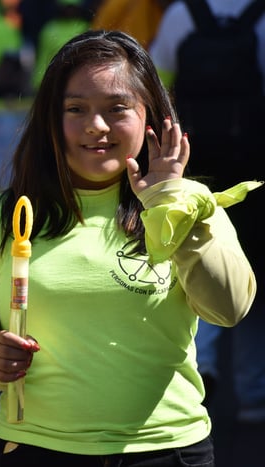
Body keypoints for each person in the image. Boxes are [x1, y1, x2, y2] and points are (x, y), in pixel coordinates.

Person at [0, 29, 259, 466]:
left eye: (116, 108)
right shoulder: (1, 217)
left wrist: (170, 206)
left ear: (151, 116)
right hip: (34, 449)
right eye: (76, 109)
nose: (97, 126)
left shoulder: (192, 205)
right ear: (50, 120)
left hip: (168, 450)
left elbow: (229, 307)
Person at [149, 1, 265, 462]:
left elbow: (157, 83)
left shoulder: (182, 13)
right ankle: (254, 393)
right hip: (255, 171)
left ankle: (203, 368)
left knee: (192, 266)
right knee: (254, 279)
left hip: (194, 162)